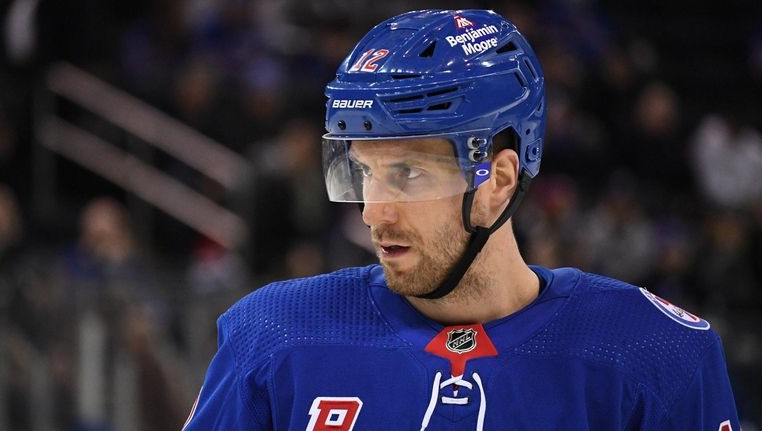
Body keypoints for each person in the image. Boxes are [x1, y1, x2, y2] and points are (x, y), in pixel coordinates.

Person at [182, 10, 740, 430]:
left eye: (408, 173)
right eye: (364, 172)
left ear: (498, 182)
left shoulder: (656, 354)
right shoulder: (273, 335)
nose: (374, 209)